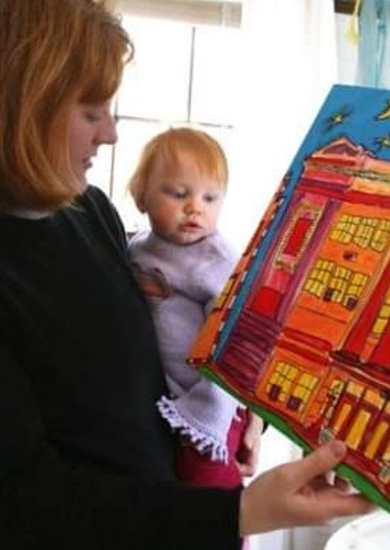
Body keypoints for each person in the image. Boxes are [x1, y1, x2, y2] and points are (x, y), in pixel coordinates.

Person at [0, 1, 373, 550]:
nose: (109, 133)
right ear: (9, 108)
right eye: (90, 112)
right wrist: (239, 512)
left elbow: (142, 386)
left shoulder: (88, 212)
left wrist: (235, 415)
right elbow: (12, 507)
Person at [126, 127, 261, 490]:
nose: (194, 207)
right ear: (140, 195)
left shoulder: (214, 259)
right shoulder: (137, 248)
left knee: (207, 479)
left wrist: (210, 413)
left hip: (211, 397)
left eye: (210, 198)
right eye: (179, 193)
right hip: (169, 396)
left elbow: (234, 338)